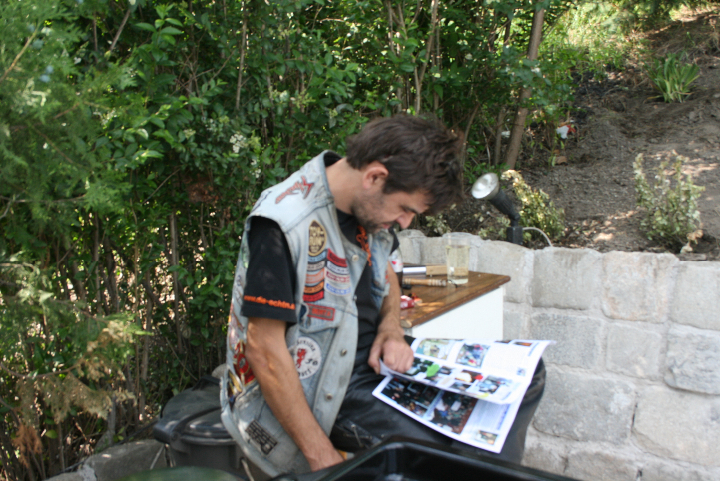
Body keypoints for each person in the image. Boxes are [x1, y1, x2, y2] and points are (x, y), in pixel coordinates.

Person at [219, 115, 545, 478]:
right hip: (333, 390)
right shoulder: (283, 223)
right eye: (406, 209)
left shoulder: (369, 206)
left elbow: (387, 270)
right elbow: (263, 351)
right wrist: (324, 460)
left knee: (528, 375)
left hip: (380, 367)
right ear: (374, 177)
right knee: (458, 457)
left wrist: (390, 329)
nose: (405, 223)